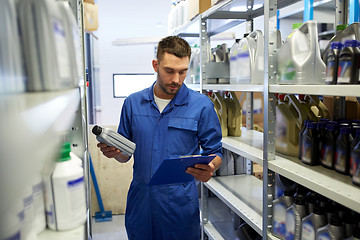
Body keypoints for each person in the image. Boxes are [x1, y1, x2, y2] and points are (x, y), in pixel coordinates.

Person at [97, 36, 223, 240]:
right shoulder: (133, 103)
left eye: (183, 71)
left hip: (180, 206)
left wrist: (210, 169)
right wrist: (115, 153)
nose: (176, 79)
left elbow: (215, 152)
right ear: (156, 65)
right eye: (169, 71)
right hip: (141, 204)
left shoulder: (202, 106)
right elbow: (125, 156)